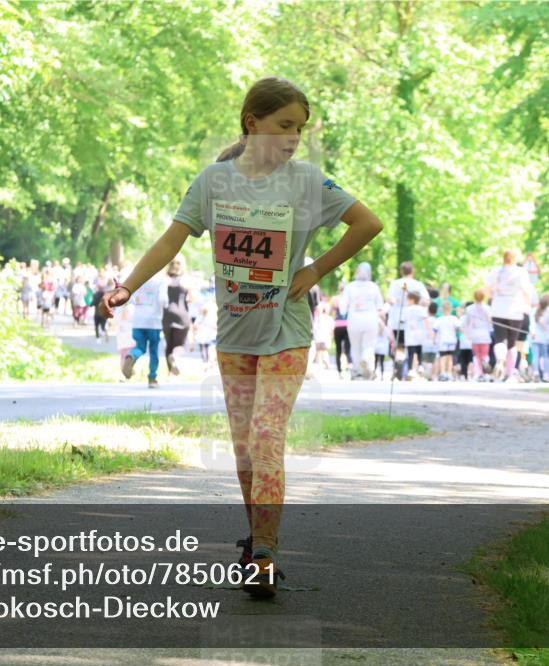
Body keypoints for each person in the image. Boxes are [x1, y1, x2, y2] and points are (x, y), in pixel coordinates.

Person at [98, 77, 383, 598]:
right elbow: (171, 238)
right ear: (253, 123)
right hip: (234, 335)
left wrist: (315, 270)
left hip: (287, 331)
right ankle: (256, 542)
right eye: (285, 126)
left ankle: (267, 554)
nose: (294, 137)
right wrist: (126, 286)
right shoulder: (214, 182)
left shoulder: (308, 182)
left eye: (300, 128)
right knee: (244, 451)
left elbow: (368, 223)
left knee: (267, 440)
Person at [485, 250, 533, 382]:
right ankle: (510, 373)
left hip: (498, 309)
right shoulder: (521, 272)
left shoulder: (496, 271)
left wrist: (494, 296)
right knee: (512, 344)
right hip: (515, 311)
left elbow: (487, 291)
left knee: (499, 339)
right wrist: (528, 305)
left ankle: (500, 358)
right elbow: (526, 291)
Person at [121, 273, 168, 388]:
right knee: (153, 351)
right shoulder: (160, 280)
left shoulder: (139, 277)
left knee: (139, 347)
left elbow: (131, 298)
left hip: (138, 321)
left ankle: (131, 356)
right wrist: (165, 306)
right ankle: (152, 378)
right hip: (153, 322)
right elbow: (163, 299)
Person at [340, 261, 384, 380]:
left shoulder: (350, 286)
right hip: (370, 319)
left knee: (355, 346)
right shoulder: (374, 287)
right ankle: (365, 359)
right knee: (369, 345)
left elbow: (342, 306)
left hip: (354, 319)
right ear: (369, 273)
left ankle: (357, 370)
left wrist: (343, 313)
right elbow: (380, 306)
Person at [395, 291, 430, 380]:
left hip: (410, 335)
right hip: (420, 334)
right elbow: (425, 319)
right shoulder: (421, 309)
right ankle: (420, 365)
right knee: (419, 351)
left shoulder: (407, 309)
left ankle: (411, 369)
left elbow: (402, 320)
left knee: (411, 353)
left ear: (412, 300)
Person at [463, 289, 493, 381]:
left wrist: (467, 333)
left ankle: (479, 372)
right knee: (484, 355)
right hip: (484, 334)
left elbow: (466, 323)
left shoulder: (469, 309)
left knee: (477, 355)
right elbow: (490, 322)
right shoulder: (487, 308)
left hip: (474, 334)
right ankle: (484, 373)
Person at [433, 299, 460, 381]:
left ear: (442, 309)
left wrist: (434, 339)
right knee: (450, 357)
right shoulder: (454, 319)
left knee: (443, 357)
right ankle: (449, 373)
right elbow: (458, 328)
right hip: (452, 340)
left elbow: (435, 331)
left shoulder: (439, 319)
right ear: (451, 309)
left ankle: (443, 372)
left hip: (442, 340)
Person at [331, 284, 352, 378]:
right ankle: (349, 367)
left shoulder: (335, 299)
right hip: (347, 325)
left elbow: (333, 313)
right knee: (348, 348)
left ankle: (339, 371)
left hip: (338, 325)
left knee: (338, 349)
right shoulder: (349, 299)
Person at [192, 300, 218, 373]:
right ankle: (209, 363)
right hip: (206, 337)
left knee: (206, 350)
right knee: (208, 350)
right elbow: (195, 326)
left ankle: (207, 363)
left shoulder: (202, 317)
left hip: (205, 337)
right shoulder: (209, 317)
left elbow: (195, 326)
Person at [313, 301, 334, 370]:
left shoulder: (318, 318)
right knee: (325, 351)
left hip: (318, 337)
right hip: (326, 337)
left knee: (319, 351)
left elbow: (314, 328)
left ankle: (319, 364)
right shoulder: (329, 318)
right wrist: (331, 336)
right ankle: (327, 363)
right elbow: (332, 328)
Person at [457, 304, 474, 381]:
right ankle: (470, 374)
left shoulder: (463, 318)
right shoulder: (474, 317)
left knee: (464, 359)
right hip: (471, 341)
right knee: (471, 359)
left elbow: (460, 327)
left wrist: (466, 335)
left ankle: (465, 374)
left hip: (464, 341)